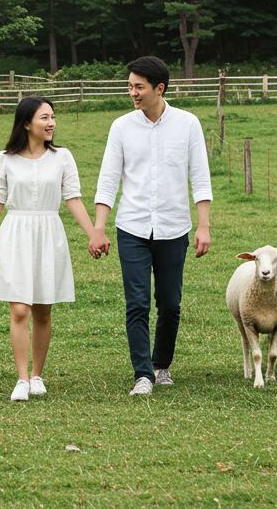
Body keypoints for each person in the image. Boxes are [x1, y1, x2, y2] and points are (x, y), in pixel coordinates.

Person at [0, 96, 109, 401]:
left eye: (53, 117)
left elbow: (72, 199)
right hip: (15, 234)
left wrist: (94, 234)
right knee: (19, 310)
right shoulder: (5, 159)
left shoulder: (62, 157)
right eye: (44, 118)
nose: (51, 123)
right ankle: (21, 379)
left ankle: (37, 375)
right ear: (27, 123)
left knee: (43, 311)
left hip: (49, 233)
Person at [90, 56, 212, 395]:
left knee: (170, 303)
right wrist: (99, 228)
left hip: (175, 228)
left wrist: (203, 225)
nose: (132, 92)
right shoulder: (121, 127)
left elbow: (200, 177)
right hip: (132, 227)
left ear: (159, 88)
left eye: (138, 87)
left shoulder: (188, 124)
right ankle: (142, 373)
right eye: (129, 86)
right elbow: (108, 179)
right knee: (137, 302)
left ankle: (162, 366)